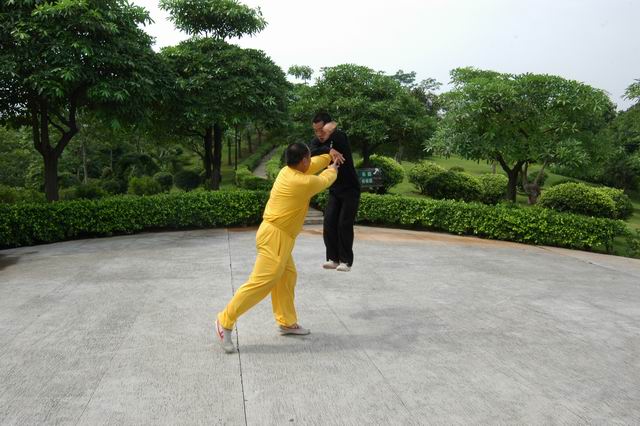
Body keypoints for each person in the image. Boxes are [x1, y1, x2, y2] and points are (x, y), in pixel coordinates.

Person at [214, 142, 339, 353]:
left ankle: (287, 322)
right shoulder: (301, 181)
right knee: (262, 282)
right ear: (303, 160)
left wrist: (328, 156)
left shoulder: (288, 171)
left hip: (281, 236)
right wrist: (333, 167)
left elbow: (313, 165)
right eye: (309, 158)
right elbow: (323, 180)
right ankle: (224, 320)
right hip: (275, 237)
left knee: (287, 277)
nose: (310, 161)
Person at [309, 113, 361, 272]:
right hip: (334, 189)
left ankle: (346, 261)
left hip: (350, 188)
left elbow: (336, 135)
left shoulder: (339, 136)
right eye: (316, 130)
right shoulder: (319, 141)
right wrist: (329, 150)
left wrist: (331, 142)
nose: (319, 134)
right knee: (329, 222)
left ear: (329, 127)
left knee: (344, 224)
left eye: (321, 130)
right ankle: (333, 259)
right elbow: (311, 151)